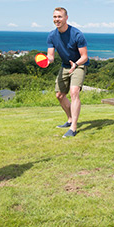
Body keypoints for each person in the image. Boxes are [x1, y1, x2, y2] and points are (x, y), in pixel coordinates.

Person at [46, 7, 89, 138]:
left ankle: (73, 127)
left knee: (74, 92)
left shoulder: (77, 34)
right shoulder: (52, 36)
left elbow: (85, 56)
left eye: (59, 17)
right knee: (59, 95)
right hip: (65, 66)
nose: (57, 19)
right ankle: (70, 119)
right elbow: (51, 56)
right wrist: (48, 60)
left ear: (66, 18)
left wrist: (75, 64)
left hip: (78, 65)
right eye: (55, 17)